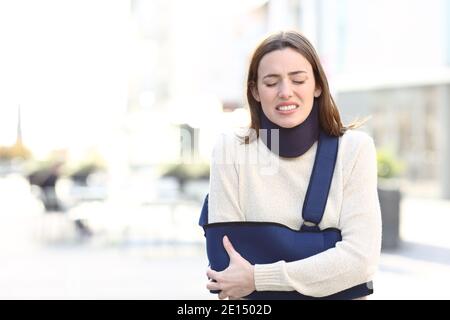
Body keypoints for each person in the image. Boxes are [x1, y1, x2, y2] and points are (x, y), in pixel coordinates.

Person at [204, 30, 382, 300]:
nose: (285, 92)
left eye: (298, 79)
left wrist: (256, 277)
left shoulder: (354, 150)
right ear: (255, 90)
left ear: (318, 85)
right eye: (271, 82)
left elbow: (360, 261)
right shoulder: (231, 150)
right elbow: (224, 265)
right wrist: (325, 259)